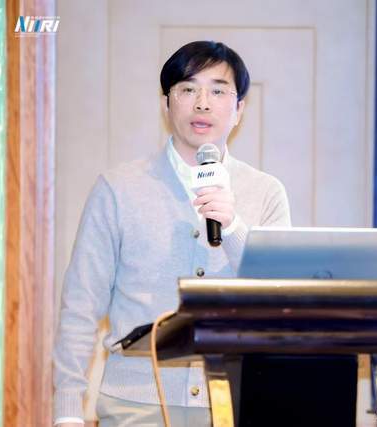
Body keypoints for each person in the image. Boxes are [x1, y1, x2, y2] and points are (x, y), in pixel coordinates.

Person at [53, 40, 291, 426]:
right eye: (188, 89)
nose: (202, 104)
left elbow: (279, 299)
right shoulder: (118, 188)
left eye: (218, 91)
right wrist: (67, 412)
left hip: (235, 402)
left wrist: (233, 228)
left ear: (239, 110)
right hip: (134, 405)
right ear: (167, 104)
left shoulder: (266, 193)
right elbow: (81, 304)